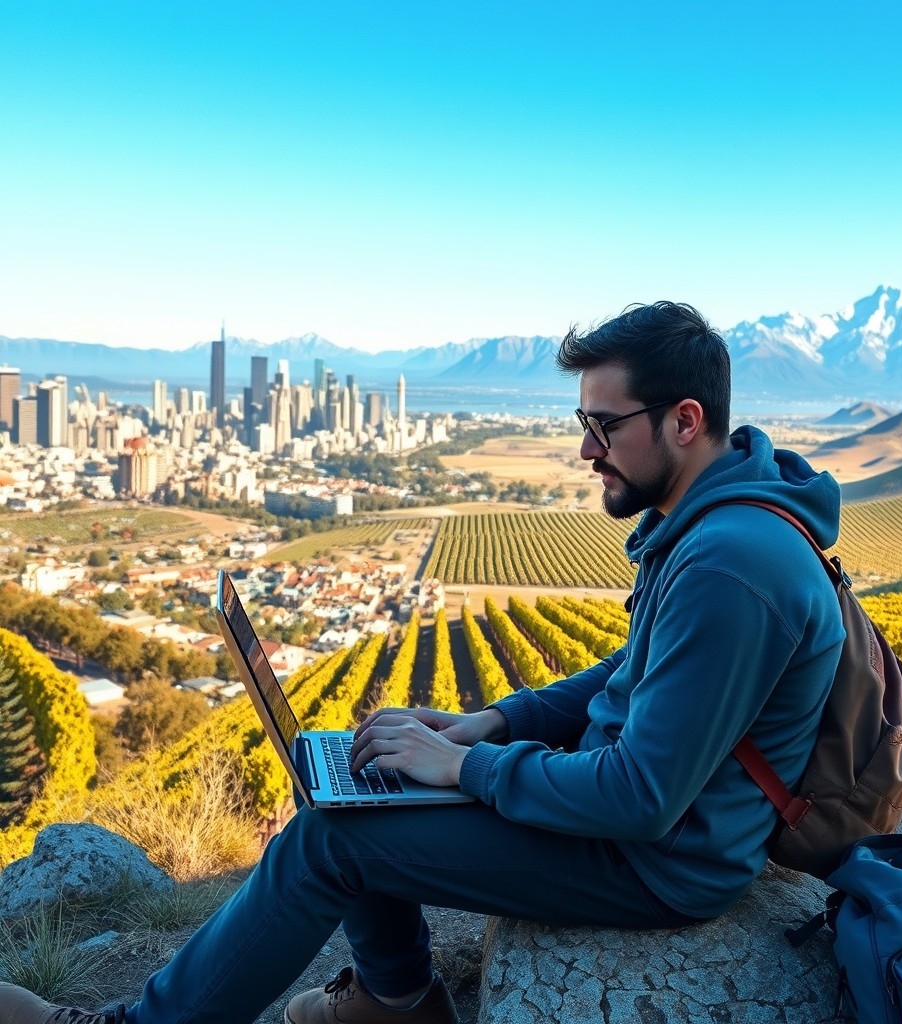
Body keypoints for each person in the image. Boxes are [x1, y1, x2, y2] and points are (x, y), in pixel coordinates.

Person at [0, 300, 845, 1024]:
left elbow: (642, 798)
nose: (587, 448)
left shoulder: (733, 564)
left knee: (331, 838)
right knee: (346, 768)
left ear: (685, 420)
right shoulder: (710, 520)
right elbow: (632, 672)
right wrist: (494, 721)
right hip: (626, 812)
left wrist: (466, 765)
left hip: (661, 862)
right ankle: (396, 999)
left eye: (603, 425)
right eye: (582, 423)